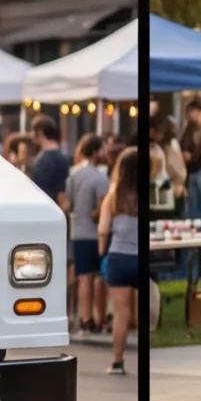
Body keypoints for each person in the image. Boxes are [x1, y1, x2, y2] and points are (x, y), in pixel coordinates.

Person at [100, 143, 142, 375]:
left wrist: (101, 252)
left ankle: (117, 362)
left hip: (118, 257)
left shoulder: (113, 197)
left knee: (120, 314)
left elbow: (103, 230)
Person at [66, 133, 110, 336]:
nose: (105, 152)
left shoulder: (74, 175)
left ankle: (85, 319)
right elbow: (102, 210)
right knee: (98, 278)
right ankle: (98, 316)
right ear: (96, 152)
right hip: (95, 234)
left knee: (83, 277)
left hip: (77, 232)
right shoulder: (101, 177)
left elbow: (70, 204)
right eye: (102, 149)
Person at [27, 116, 71, 206]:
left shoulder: (55, 159)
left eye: (32, 130)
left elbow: (61, 193)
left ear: (39, 132)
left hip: (48, 207)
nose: (30, 134)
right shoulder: (59, 157)